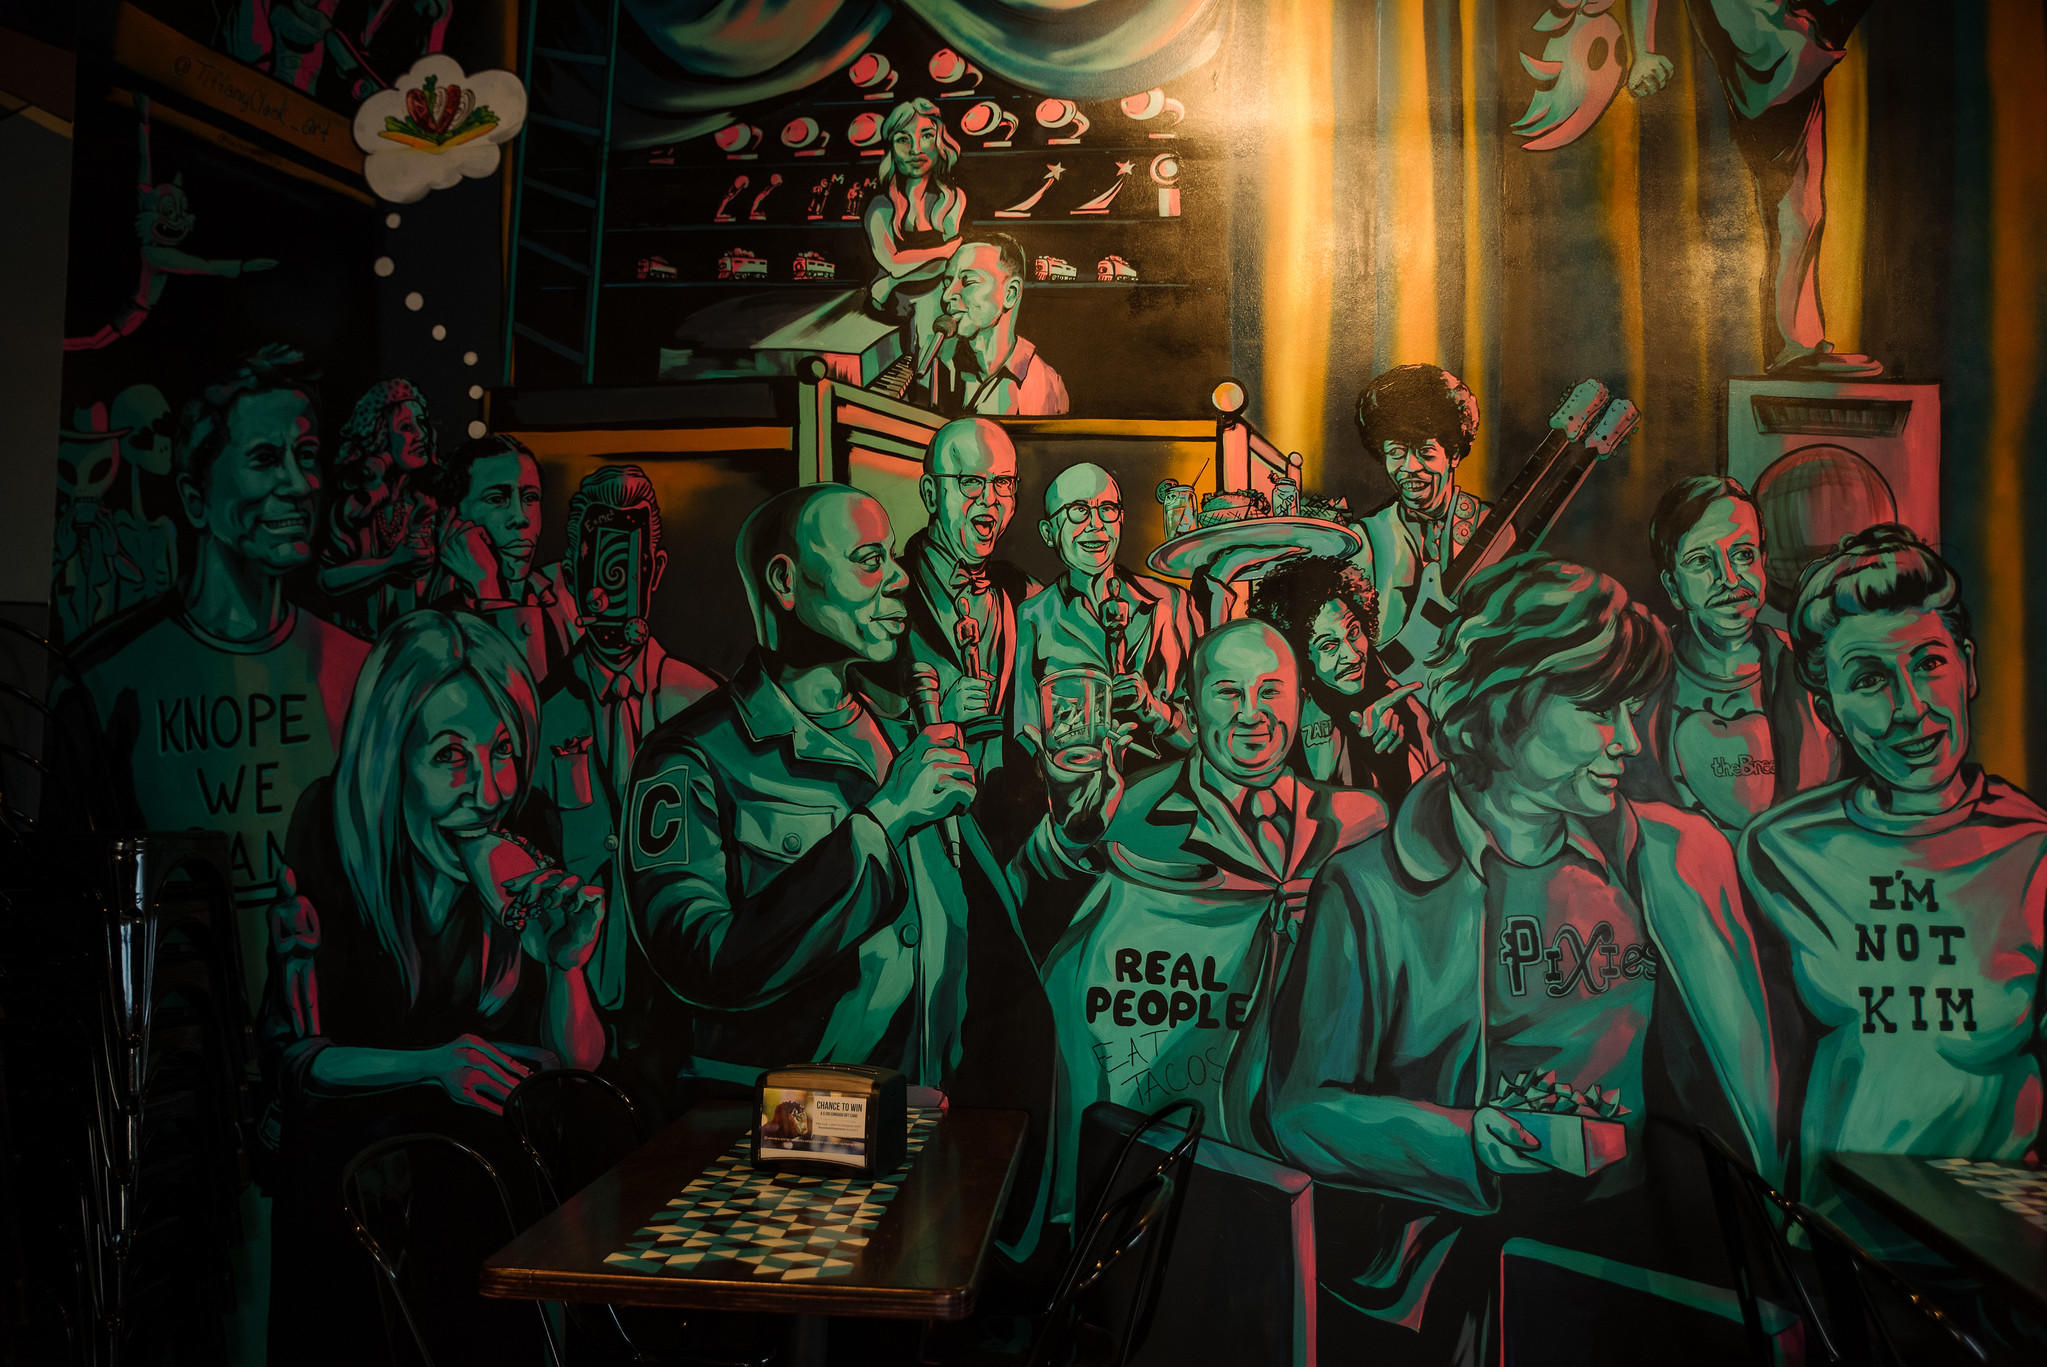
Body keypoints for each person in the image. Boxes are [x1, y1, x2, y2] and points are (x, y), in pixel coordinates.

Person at [1265, 554, 1778, 1359]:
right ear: (1503, 709)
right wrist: (1467, 1140)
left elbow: (1743, 1100)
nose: (1626, 740)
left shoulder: (1675, 856)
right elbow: (1301, 1111)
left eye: (1630, 708)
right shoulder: (1366, 887)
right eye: (1597, 709)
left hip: (1649, 1264)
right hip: (1462, 1270)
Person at [620, 483, 1106, 1262]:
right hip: (787, 1158)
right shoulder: (693, 759)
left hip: (937, 1152)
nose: (899, 578)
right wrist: (881, 821)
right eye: (870, 560)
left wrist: (1068, 831)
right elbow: (703, 960)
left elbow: (977, 924)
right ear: (786, 581)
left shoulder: (898, 735)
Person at [261, 609, 605, 1366]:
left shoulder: (530, 826)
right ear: (392, 759)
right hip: (359, 1204)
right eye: (451, 756)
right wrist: (432, 1065)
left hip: (490, 1202)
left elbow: (578, 1063)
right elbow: (299, 1060)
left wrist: (566, 965)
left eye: (503, 750)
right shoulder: (331, 829)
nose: (489, 791)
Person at [1739, 525, 2045, 1248]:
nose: (1909, 708)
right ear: (1827, 711)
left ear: (1967, 668)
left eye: (1928, 663)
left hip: (1993, 1256)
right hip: (1838, 1248)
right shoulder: (1779, 850)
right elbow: (1755, 1078)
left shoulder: (2036, 850)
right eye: (1870, 680)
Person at [1038, 620, 1389, 1215]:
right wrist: (1071, 833)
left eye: (1271, 690)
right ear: (1191, 706)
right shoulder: (1126, 809)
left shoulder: (1360, 824)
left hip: (1303, 1161)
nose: (1252, 714)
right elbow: (1048, 930)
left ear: (1300, 698)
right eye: (1229, 692)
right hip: (1163, 1152)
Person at [64, 344, 370, 1008]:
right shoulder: (109, 681)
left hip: (327, 1044)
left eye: (307, 455)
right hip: (170, 1044)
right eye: (264, 458)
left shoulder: (361, 671)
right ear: (195, 499)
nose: (299, 484)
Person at [529, 465, 718, 1019]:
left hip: (685, 989)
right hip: (579, 987)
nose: (613, 586)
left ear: (653, 570)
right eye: (600, 563)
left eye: (628, 562)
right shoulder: (538, 716)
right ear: (572, 574)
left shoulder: (705, 706)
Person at [1623, 0, 1881, 375]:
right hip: (1771, 54)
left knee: (1804, 210)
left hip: (1783, 50)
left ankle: (1796, 344)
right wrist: (1644, 51)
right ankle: (1793, 345)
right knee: (1796, 210)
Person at [1625, 475, 1837, 832]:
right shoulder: (1638, 682)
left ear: (1762, 562)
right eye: (1700, 561)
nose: (1730, 578)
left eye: (1742, 555)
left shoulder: (1812, 668)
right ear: (1673, 586)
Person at [1013, 462, 1201, 757]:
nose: (1096, 524)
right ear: (1048, 532)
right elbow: (1025, 735)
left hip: (1160, 778)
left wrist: (1150, 708)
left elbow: (1201, 736)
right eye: (1079, 510)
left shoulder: (1171, 603)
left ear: (1120, 520)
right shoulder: (1033, 615)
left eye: (1107, 509)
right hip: (1075, 779)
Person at [897, 419, 1041, 802]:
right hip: (924, 816)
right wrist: (938, 716)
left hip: (1004, 813)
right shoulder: (886, 594)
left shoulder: (1026, 594)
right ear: (931, 494)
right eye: (971, 482)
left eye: (1003, 483)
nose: (990, 499)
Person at [1245, 554, 1437, 804]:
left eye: (1353, 632)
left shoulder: (1397, 699)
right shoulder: (1286, 719)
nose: (1352, 655)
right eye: (1328, 646)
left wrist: (1391, 755)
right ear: (1299, 658)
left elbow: (1435, 797)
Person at [1346, 363, 1489, 646]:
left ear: (1454, 454)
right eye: (1396, 452)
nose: (1409, 467)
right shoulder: (1364, 540)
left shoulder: (1489, 526)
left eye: (1425, 451)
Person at [425, 432, 578, 687]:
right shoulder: (437, 627)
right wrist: (489, 594)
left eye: (530, 498)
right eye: (497, 499)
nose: (520, 517)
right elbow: (519, 700)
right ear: (452, 518)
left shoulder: (563, 590)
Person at [318, 377, 441, 639]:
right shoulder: (356, 507)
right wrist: (392, 563)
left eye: (422, 422)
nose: (421, 434)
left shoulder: (422, 506)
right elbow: (327, 580)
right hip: (349, 648)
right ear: (381, 436)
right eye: (406, 427)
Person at [864, 97, 967, 375]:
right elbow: (894, 263)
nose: (915, 149)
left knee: (937, 352)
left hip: (927, 295)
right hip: (889, 304)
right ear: (891, 149)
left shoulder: (951, 199)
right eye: (903, 139)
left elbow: (947, 266)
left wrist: (895, 277)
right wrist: (943, 251)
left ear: (940, 141)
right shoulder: (880, 207)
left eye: (926, 136)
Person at [925, 231, 1070, 417]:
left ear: (1010, 293)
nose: (947, 295)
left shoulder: (1046, 383)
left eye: (968, 281)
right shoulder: (938, 365)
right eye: (947, 283)